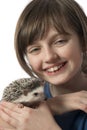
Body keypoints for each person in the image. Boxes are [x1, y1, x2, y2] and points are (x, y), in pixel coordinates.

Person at [0, 0, 87, 129]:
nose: (49, 57)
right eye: (35, 49)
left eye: (60, 41)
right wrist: (52, 106)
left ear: (84, 40)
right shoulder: (28, 95)